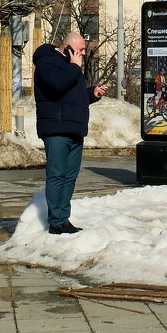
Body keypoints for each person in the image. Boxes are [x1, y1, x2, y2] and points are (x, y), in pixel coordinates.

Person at [33, 33, 106, 235]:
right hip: (57, 129)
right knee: (57, 175)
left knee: (70, 176)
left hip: (74, 129)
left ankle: (64, 218)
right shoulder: (47, 62)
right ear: (67, 48)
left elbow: (72, 96)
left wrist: (92, 93)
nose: (83, 54)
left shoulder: (71, 67)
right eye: (81, 49)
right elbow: (57, 85)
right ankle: (56, 222)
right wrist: (74, 67)